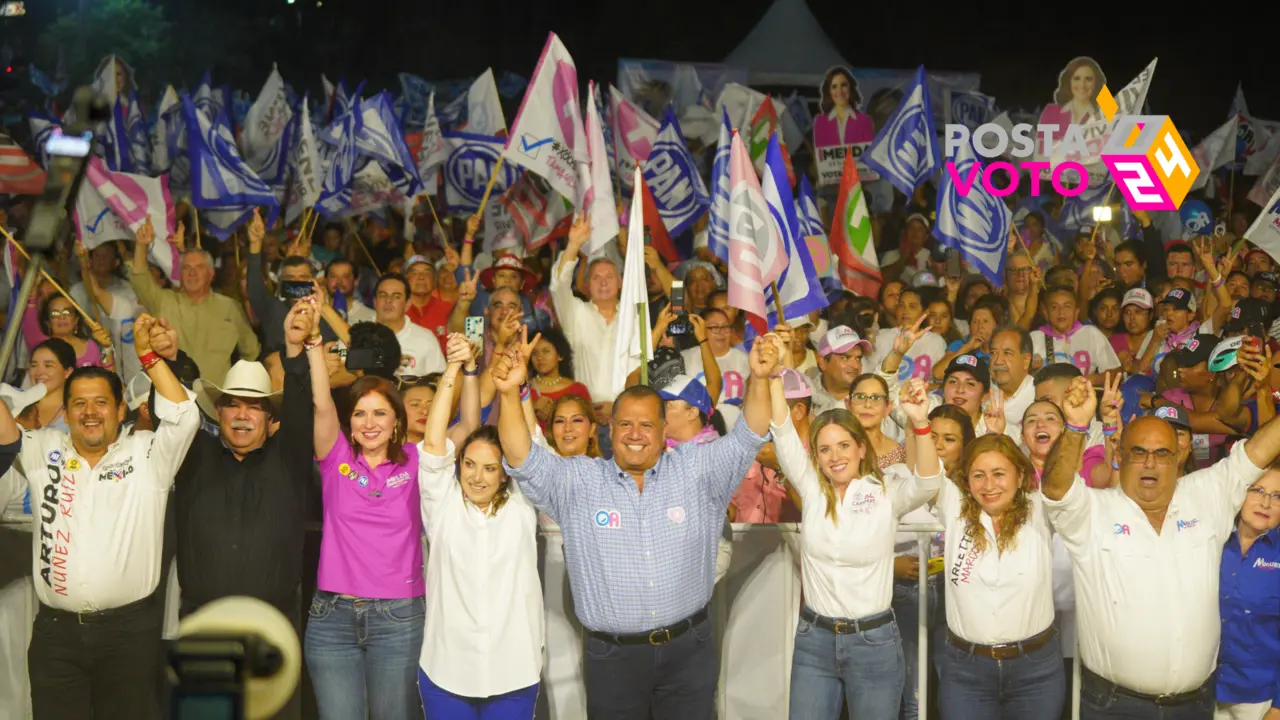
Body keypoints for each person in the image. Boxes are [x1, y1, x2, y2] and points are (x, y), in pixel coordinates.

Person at [497, 333, 779, 718]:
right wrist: (511, 393)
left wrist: (759, 379)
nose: (634, 434)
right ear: (609, 430)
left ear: (664, 433)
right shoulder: (579, 482)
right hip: (613, 658)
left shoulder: (697, 471)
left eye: (646, 425)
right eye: (625, 424)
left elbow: (750, 434)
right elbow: (520, 456)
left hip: (688, 651)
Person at [1042, 375, 1280, 720]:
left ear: (1180, 454)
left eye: (1161, 453)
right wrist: (1077, 427)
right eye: (1138, 452)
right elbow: (1056, 488)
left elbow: (1261, 449)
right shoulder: (1093, 511)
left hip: (1195, 706)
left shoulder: (1208, 493)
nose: (1150, 463)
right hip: (1115, 707)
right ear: (1121, 455)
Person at [3, 313, 199, 720]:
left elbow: (185, 416)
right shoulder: (42, 448)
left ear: (119, 408)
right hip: (56, 635)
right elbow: (5, 436)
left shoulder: (147, 454)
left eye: (100, 403)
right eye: (79, 403)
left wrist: (147, 355)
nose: (89, 412)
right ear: (67, 410)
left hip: (128, 635)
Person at [771, 365, 942, 719]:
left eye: (844, 445)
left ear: (861, 449)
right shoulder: (811, 488)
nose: (835, 457)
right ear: (815, 457)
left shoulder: (886, 491)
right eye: (825, 449)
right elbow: (783, 432)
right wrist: (773, 376)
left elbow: (927, 483)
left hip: (874, 642)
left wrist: (920, 423)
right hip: (814, 641)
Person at [304, 295, 426, 720]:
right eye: (359, 414)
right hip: (331, 615)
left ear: (397, 419)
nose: (369, 423)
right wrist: (314, 342)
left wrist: (461, 370)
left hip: (398, 618)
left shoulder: (417, 459)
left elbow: (463, 425)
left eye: (380, 413)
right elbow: (321, 404)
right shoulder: (335, 457)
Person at [415, 334, 542, 716]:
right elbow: (435, 440)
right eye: (469, 465)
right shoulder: (442, 503)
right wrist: (454, 366)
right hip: (445, 672)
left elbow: (529, 444)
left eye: (490, 468)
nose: (478, 477)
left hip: (514, 671)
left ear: (505, 474)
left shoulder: (522, 502)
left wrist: (516, 389)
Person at [937, 432, 1065, 719]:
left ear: (1020, 476)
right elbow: (926, 475)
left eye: (999, 474)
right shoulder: (956, 510)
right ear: (967, 481)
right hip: (966, 671)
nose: (989, 485)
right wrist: (919, 424)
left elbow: (1064, 487)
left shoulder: (1039, 510)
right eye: (978, 475)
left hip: (1036, 671)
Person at [1215, 466, 1280, 720]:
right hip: (1204, 690)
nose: (1265, 502)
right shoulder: (1213, 541)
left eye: (1277, 496)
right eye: (1258, 491)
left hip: (1259, 698)